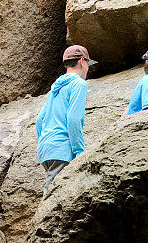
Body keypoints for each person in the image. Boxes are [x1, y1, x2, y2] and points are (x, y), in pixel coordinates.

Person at [35, 44, 97, 196]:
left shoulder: (55, 87)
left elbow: (39, 120)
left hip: (46, 149)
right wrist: (80, 152)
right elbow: (74, 119)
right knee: (51, 196)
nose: (88, 68)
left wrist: (45, 142)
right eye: (88, 64)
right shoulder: (79, 84)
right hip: (62, 149)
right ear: (82, 61)